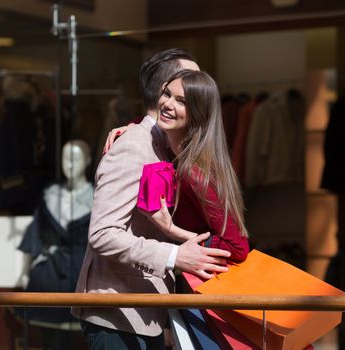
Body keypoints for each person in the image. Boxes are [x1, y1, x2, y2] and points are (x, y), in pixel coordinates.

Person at [72, 48, 232, 350]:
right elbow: (103, 234)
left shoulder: (168, 147)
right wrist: (174, 257)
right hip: (117, 313)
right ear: (163, 91)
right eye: (183, 85)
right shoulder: (134, 146)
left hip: (146, 312)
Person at [143, 69, 250, 262]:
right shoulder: (178, 156)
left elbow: (237, 248)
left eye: (181, 101)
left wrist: (172, 230)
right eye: (167, 94)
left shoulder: (193, 172)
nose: (167, 104)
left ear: (197, 114)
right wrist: (127, 129)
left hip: (208, 287)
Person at [15, 140, 92, 349]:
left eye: (75, 159)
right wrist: (24, 272)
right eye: (66, 159)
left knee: (83, 337)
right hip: (49, 274)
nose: (69, 164)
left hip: (82, 276)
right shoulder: (50, 196)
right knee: (51, 339)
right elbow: (35, 232)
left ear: (87, 161)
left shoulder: (97, 197)